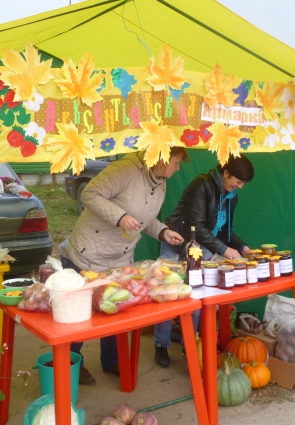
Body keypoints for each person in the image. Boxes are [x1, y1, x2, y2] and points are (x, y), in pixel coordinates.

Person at [60, 148, 188, 385]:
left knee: (114, 306)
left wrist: (163, 231)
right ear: (162, 157)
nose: (177, 168)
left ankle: (111, 360)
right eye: (177, 162)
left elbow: (144, 220)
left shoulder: (159, 181)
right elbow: (90, 194)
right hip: (90, 252)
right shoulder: (126, 169)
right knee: (80, 315)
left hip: (120, 257)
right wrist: (119, 217)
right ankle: (70, 362)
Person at [153, 155, 254, 367]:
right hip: (178, 243)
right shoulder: (202, 185)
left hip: (204, 250)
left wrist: (244, 248)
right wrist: (225, 250)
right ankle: (161, 346)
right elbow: (196, 227)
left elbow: (225, 231)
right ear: (225, 173)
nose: (240, 187)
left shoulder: (231, 195)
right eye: (238, 181)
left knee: (197, 299)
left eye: (243, 184)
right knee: (167, 296)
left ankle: (189, 346)